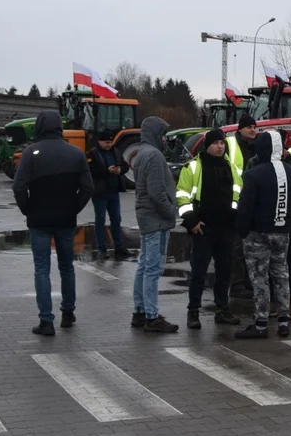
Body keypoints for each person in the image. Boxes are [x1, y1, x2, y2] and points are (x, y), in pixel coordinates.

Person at [13, 110, 93, 336]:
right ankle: (68, 312)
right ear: (59, 127)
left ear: (39, 126)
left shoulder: (30, 153)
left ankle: (46, 320)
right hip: (66, 219)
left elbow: (19, 187)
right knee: (67, 267)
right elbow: (88, 188)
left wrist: (28, 209)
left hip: (39, 220)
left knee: (42, 268)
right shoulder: (76, 153)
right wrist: (73, 207)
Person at [234, 131, 291, 338]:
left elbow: (245, 207)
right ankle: (284, 321)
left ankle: (261, 324)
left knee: (260, 279)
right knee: (282, 275)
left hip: (258, 234)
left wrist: (242, 230)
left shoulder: (254, 174)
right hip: (283, 232)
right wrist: (289, 222)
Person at [175, 128, 241, 330]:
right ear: (207, 145)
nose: (220, 146)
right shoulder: (193, 167)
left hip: (226, 229)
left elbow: (239, 195)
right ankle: (193, 312)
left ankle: (222, 309)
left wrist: (235, 218)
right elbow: (182, 197)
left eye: (222, 143)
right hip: (203, 229)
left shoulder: (232, 167)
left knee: (224, 271)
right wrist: (191, 221)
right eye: (216, 143)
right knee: (199, 273)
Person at [131, 116, 179, 333]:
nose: (165, 139)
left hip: (147, 217)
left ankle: (140, 311)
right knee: (153, 267)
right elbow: (157, 192)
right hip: (156, 219)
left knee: (143, 266)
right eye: (163, 134)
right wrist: (171, 212)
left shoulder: (141, 153)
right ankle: (151, 316)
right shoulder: (154, 155)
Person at [227, 114, 258, 300]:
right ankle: (237, 285)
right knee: (237, 248)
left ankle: (246, 283)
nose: (253, 130)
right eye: (249, 127)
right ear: (240, 129)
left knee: (249, 246)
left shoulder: (256, 147)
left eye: (254, 127)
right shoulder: (231, 145)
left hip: (250, 203)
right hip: (235, 203)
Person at [87, 130, 130, 259]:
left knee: (116, 219)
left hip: (113, 190)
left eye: (110, 142)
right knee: (100, 220)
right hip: (100, 192)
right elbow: (91, 171)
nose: (109, 144)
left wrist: (120, 170)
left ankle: (119, 246)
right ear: (100, 141)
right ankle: (102, 248)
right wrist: (107, 171)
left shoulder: (115, 152)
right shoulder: (92, 154)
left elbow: (125, 165)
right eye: (106, 142)